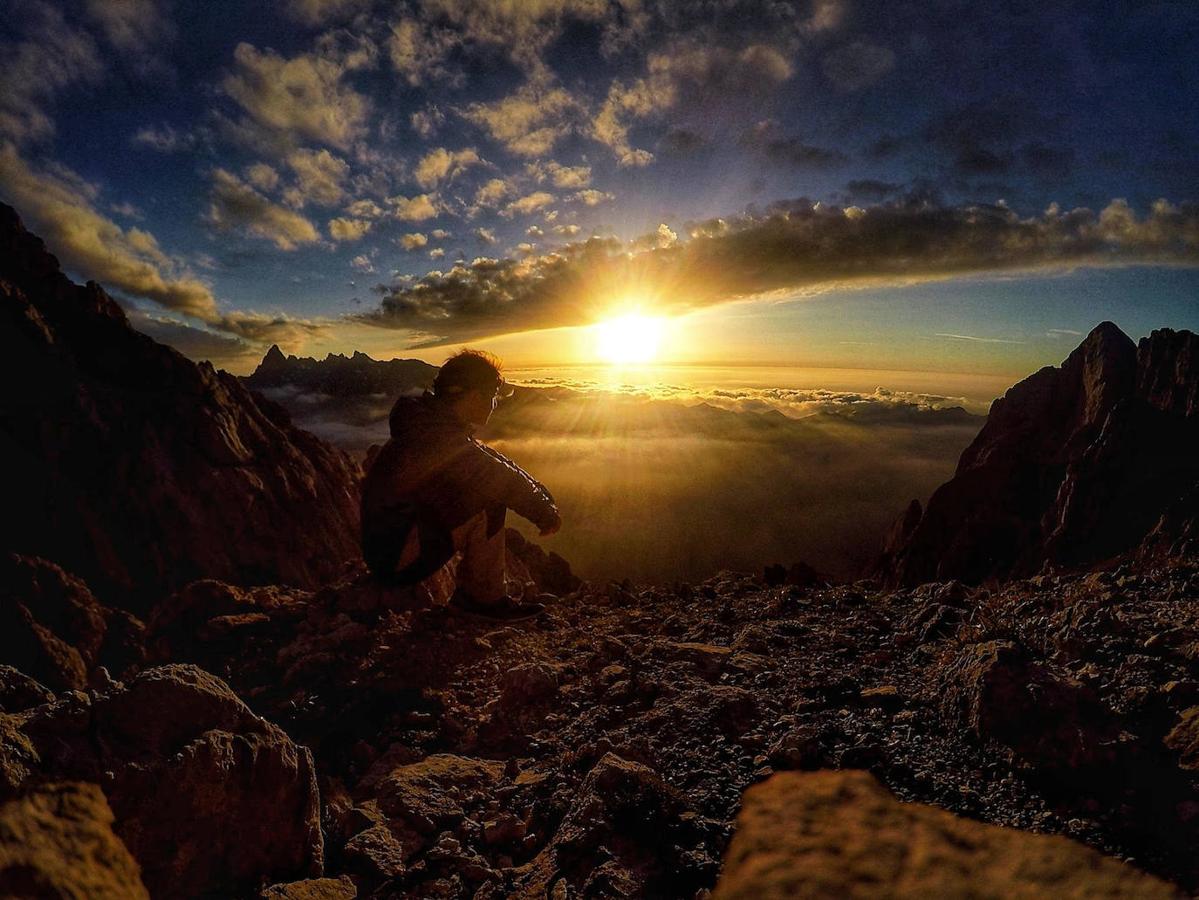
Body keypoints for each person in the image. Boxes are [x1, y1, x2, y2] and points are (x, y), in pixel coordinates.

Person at [361, 349, 561, 620]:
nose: (494, 404)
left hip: (391, 548)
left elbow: (487, 458)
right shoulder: (435, 435)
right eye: (492, 397)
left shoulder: (431, 425)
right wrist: (542, 511)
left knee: (489, 488)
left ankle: (477, 596)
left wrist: (538, 490)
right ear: (476, 396)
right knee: (490, 498)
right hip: (396, 558)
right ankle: (482, 600)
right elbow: (492, 474)